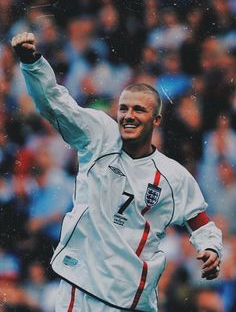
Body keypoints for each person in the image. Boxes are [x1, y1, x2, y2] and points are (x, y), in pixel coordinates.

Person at [11, 32, 223, 312]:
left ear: (156, 119)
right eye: (123, 108)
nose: (128, 115)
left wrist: (210, 249)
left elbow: (200, 222)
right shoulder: (98, 135)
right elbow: (54, 102)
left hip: (131, 297)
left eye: (138, 109)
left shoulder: (174, 176)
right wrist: (33, 63)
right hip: (81, 286)